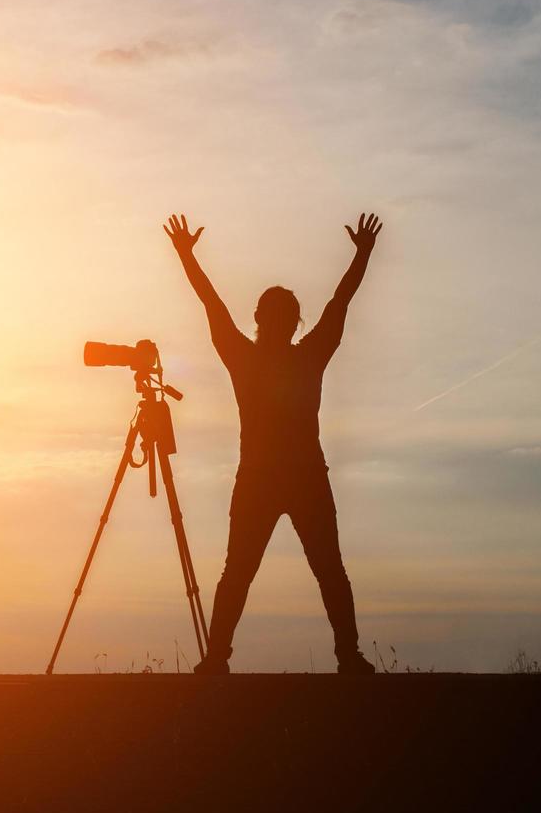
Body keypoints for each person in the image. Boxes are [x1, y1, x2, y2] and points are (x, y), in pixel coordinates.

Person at [164, 211, 383, 674]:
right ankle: (347, 657)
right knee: (322, 572)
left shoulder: (247, 357)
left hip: (269, 480)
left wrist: (187, 256)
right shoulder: (304, 356)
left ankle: (218, 660)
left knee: (245, 573)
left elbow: (213, 306)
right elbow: (340, 304)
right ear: (291, 321)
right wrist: (361, 255)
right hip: (293, 479)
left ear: (261, 319)